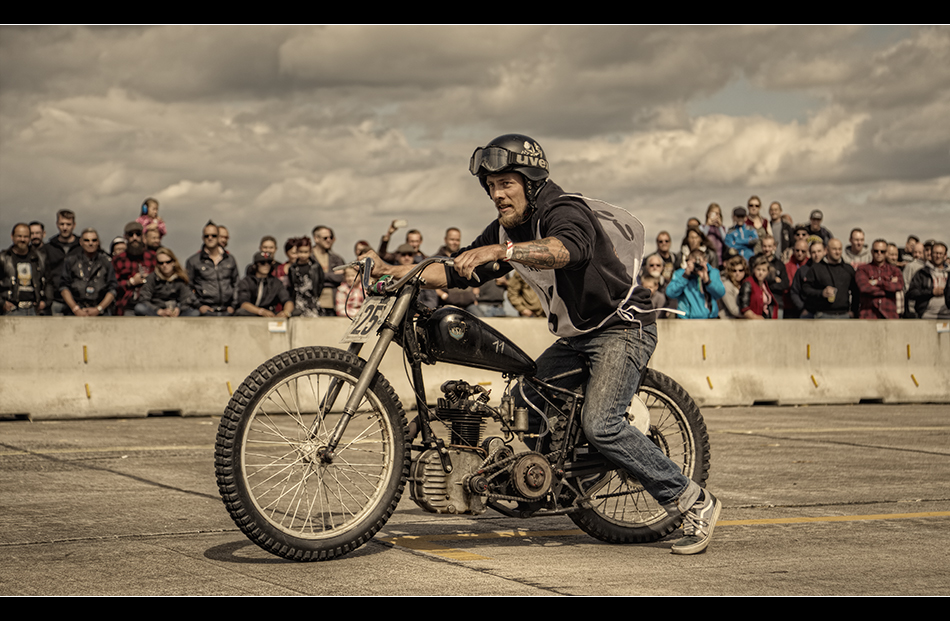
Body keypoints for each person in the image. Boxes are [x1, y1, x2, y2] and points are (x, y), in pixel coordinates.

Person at [362, 133, 720, 554]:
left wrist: (503, 250)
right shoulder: (508, 228)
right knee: (525, 398)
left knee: (601, 424)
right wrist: (395, 270)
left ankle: (692, 500)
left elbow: (564, 250)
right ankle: (550, 483)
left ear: (530, 182)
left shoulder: (563, 209)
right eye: (491, 186)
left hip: (621, 326)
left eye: (506, 184)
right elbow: (458, 271)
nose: (497, 194)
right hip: (575, 337)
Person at [185, 221, 239, 316]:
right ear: (203, 238)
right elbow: (187, 287)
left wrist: (233, 306)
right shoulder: (193, 261)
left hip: (227, 311)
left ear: (218, 237)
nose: (210, 238)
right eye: (207, 236)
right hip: (205, 312)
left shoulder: (230, 259)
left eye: (213, 235)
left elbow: (236, 284)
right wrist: (199, 306)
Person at [60, 228, 117, 316]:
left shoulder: (106, 262)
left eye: (94, 240)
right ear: (81, 242)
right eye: (87, 240)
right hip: (74, 310)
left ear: (98, 242)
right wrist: (75, 309)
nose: (90, 243)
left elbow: (112, 289)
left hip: (100, 311)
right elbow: (64, 287)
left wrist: (98, 309)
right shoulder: (71, 261)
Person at [801, 238, 859, 318]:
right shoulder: (816, 268)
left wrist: (853, 311)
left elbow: (856, 292)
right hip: (823, 314)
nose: (837, 252)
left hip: (844, 314)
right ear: (827, 250)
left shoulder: (848, 269)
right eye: (834, 249)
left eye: (839, 249)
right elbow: (806, 289)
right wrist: (821, 293)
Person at [1, 223, 52, 316]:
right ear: (12, 236)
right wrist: (2, 303)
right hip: (11, 309)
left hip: (35, 309)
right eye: (19, 236)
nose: (22, 239)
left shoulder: (40, 258)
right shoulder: (3, 258)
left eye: (26, 236)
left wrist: (46, 302)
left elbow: (48, 281)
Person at [134, 247, 199, 317]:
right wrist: (159, 311)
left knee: (195, 313)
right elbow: (144, 299)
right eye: (161, 263)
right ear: (157, 264)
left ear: (173, 262)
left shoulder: (180, 278)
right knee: (139, 308)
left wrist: (179, 309)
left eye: (168, 262)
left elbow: (186, 299)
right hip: (157, 313)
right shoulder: (152, 278)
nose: (164, 265)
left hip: (176, 313)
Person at [665, 248, 726, 319]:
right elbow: (670, 293)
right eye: (694, 264)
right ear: (688, 262)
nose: (696, 266)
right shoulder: (680, 274)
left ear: (705, 261)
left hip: (710, 319)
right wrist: (685, 276)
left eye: (699, 263)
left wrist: (707, 280)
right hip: (687, 319)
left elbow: (721, 293)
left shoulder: (713, 273)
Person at [112, 222, 157, 316]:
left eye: (138, 234)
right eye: (131, 235)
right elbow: (113, 285)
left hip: (151, 303)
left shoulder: (153, 257)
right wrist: (131, 282)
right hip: (127, 304)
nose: (134, 238)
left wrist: (148, 279)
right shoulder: (118, 259)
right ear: (126, 237)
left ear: (143, 236)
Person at [855, 239, 904, 319]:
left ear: (887, 253)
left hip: (890, 315)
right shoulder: (862, 269)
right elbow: (864, 288)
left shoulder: (894, 270)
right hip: (868, 315)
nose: (879, 253)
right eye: (876, 251)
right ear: (871, 251)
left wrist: (877, 282)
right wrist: (888, 289)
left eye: (882, 251)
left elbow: (899, 286)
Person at [236, 251, 294, 318]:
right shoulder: (246, 281)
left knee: (296, 312)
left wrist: (286, 312)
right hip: (253, 314)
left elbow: (287, 300)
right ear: (255, 265)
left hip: (271, 314)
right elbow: (244, 304)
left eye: (269, 263)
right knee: (241, 312)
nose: (266, 265)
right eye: (262, 263)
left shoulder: (276, 282)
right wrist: (261, 311)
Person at [45, 209, 80, 315]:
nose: (65, 228)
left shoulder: (82, 246)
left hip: (78, 299)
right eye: (62, 224)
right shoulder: (48, 248)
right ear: (57, 224)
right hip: (55, 299)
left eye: (68, 224)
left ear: (74, 225)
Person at [907, 242, 949, 319]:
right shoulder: (922, 273)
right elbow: (912, 293)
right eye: (935, 253)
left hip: (948, 315)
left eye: (940, 253)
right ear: (931, 254)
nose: (938, 256)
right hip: (927, 314)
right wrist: (932, 292)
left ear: (945, 255)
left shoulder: (949, 273)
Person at [311, 225, 346, 316]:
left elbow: (341, 278)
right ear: (316, 239)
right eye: (325, 238)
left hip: (334, 303)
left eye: (331, 237)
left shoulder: (336, 258)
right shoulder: (309, 257)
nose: (329, 240)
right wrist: (331, 275)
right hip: (314, 303)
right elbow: (309, 278)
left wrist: (321, 275)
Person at [751, 235, 790, 316]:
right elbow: (753, 279)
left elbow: (785, 284)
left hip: (776, 302)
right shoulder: (754, 261)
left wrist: (768, 285)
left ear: (774, 247)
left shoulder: (780, 264)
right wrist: (774, 279)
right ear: (761, 246)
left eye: (769, 246)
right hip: (759, 303)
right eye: (764, 246)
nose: (767, 249)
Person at [287, 237, 325, 318]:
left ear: (310, 252)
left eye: (306, 252)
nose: (303, 255)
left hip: (313, 301)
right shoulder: (293, 268)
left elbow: (320, 283)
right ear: (297, 251)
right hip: (298, 302)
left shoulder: (315, 267)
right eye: (300, 252)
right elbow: (291, 284)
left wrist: (316, 295)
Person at [783, 239, 811, 318]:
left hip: (807, 308)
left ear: (807, 251)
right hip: (789, 307)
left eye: (803, 251)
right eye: (797, 250)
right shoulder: (786, 266)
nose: (799, 253)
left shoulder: (811, 267)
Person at [718, 255, 748, 319]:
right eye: (734, 271)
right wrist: (751, 315)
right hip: (728, 322)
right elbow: (733, 310)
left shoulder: (745, 284)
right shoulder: (726, 285)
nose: (737, 273)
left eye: (740, 270)